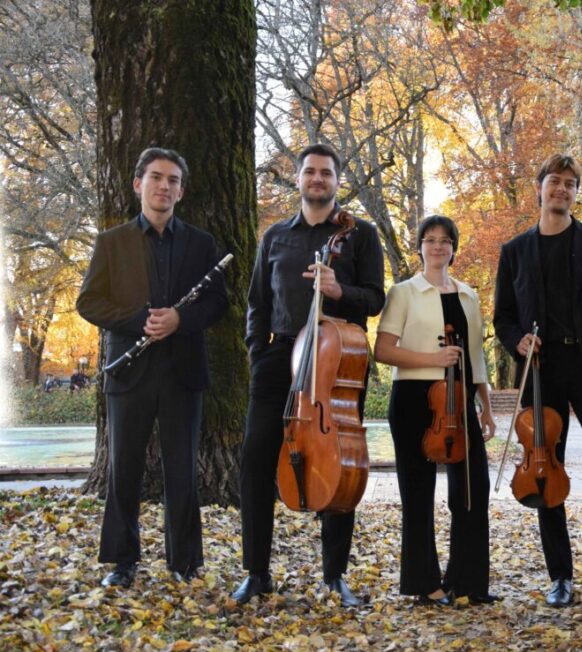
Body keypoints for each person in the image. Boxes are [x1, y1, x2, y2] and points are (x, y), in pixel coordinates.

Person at [231, 143, 385, 606]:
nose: (317, 179)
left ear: (338, 181)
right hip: (279, 362)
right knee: (256, 461)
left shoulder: (361, 235)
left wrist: (340, 290)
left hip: (337, 365)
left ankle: (334, 574)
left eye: (326, 173)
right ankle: (256, 572)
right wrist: (258, 351)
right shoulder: (275, 237)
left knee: (340, 464)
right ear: (297, 179)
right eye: (310, 172)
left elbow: (376, 299)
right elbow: (257, 302)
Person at [76, 147, 228, 587]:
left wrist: (180, 319)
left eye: (173, 180)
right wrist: (139, 319)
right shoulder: (112, 242)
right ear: (138, 184)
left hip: (182, 370)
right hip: (129, 370)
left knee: (182, 470)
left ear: (181, 191)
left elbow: (218, 303)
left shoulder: (200, 243)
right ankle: (123, 562)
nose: (164, 186)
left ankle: (185, 562)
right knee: (123, 469)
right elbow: (88, 302)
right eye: (156, 177)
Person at [493, 153, 582, 607]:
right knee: (545, 470)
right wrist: (517, 342)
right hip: (541, 372)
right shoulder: (515, 251)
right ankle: (560, 575)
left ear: (576, 193)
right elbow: (503, 317)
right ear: (538, 188)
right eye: (554, 182)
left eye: (569, 183)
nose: (561, 189)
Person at [374, 215, 498, 606]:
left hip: (459, 399)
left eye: (445, 240)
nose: (438, 247)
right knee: (418, 491)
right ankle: (424, 582)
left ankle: (469, 581)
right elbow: (383, 350)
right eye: (430, 240)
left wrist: (487, 408)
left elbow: (476, 357)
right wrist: (434, 356)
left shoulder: (468, 296)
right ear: (420, 247)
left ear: (454, 249)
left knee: (471, 490)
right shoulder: (404, 292)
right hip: (413, 397)